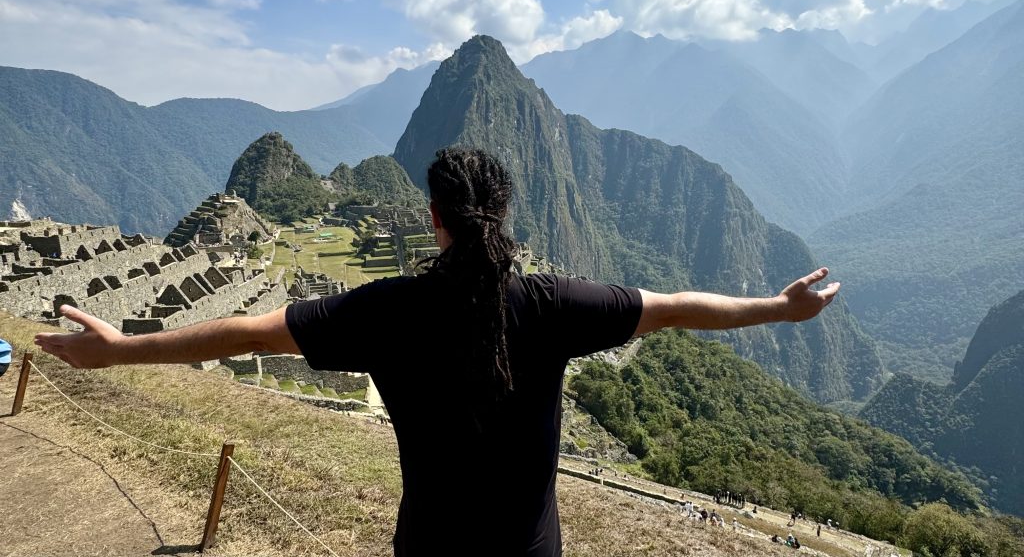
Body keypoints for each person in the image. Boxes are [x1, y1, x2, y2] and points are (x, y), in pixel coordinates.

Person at [34, 148, 842, 557]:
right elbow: (669, 310)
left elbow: (249, 329)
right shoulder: (554, 304)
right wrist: (778, 308)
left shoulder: (385, 311)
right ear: (504, 214)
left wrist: (120, 353)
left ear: (434, 218)